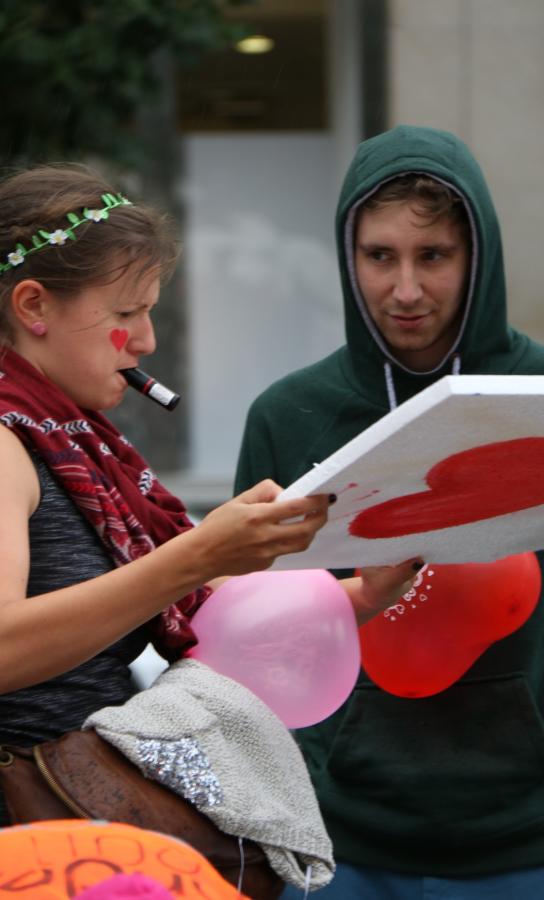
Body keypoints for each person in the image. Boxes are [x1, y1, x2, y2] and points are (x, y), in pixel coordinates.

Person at [234, 124, 544, 900]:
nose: (406, 290)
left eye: (433, 256)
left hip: (530, 848)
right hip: (335, 848)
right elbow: (249, 648)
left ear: (478, 257)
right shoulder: (288, 415)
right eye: (380, 257)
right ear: (347, 256)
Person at [0, 163, 420, 829]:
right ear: (33, 306)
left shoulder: (77, 437)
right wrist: (198, 554)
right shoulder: (6, 440)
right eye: (126, 313)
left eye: (150, 311)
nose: (146, 341)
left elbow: (207, 610)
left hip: (82, 816)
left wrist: (362, 595)